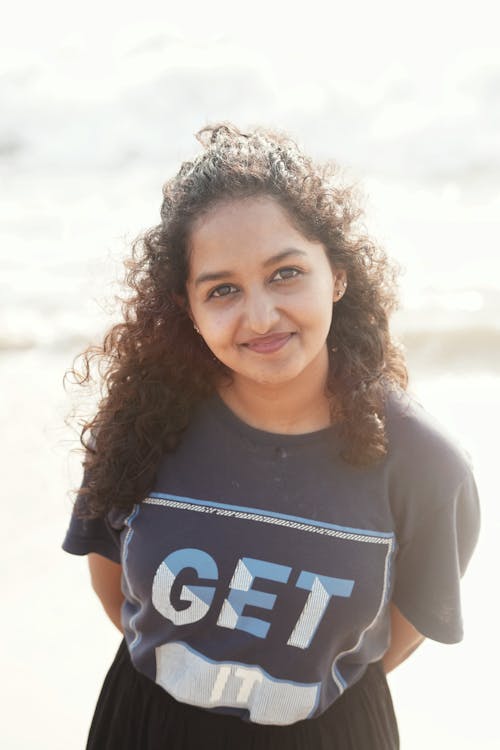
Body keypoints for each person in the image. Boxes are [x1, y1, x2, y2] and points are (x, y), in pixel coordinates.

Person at [63, 123, 480, 749]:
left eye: (285, 274)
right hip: (150, 724)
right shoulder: (142, 426)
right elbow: (116, 591)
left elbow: (401, 633)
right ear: (189, 308)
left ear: (336, 274)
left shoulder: (425, 463)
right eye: (223, 290)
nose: (259, 316)